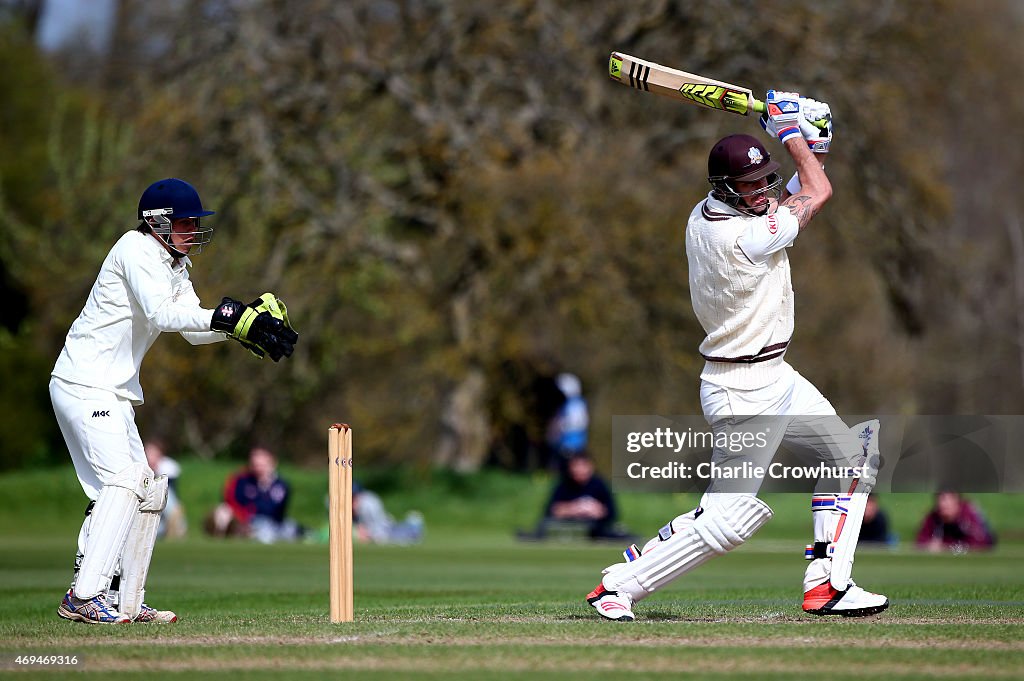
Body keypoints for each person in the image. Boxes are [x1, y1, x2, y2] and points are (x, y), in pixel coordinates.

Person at [586, 92, 889, 621]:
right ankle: (618, 585)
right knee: (730, 521)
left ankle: (827, 586)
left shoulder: (711, 214)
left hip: (777, 376)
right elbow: (816, 192)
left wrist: (808, 143)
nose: (762, 191)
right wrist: (792, 135)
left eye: (764, 180)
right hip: (740, 389)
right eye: (749, 184)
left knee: (852, 456)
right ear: (726, 189)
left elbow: (798, 192)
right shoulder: (741, 239)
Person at [50, 178, 299, 624]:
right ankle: (84, 595)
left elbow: (191, 330)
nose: (192, 231)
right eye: (185, 223)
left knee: (142, 488)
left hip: (111, 389)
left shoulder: (174, 266)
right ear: (157, 222)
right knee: (124, 480)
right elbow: (162, 315)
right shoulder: (134, 249)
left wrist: (241, 326)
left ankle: (122, 599)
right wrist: (230, 318)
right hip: (83, 383)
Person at [519, 451, 631, 541]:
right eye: (576, 466)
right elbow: (551, 510)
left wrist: (596, 510)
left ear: (590, 467)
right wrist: (573, 509)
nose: (579, 470)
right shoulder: (564, 485)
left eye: (583, 466)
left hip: (594, 527)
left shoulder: (599, 485)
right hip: (567, 525)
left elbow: (612, 512)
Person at [209, 446, 304, 544]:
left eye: (262, 464)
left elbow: (276, 510)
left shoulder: (281, 485)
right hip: (248, 521)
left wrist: (264, 487)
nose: (258, 468)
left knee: (291, 529)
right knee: (222, 511)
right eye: (255, 464)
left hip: (272, 523)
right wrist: (244, 517)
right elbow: (231, 501)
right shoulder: (241, 480)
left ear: (272, 463)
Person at [915, 490, 996, 553]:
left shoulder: (967, 515)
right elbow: (920, 541)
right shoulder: (934, 516)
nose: (943, 504)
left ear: (957, 501)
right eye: (940, 500)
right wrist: (929, 545)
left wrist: (946, 547)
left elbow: (980, 544)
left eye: (947, 500)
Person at [352, 482, 424, 545]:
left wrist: (370, 535)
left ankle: (414, 526)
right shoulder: (356, 505)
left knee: (398, 535)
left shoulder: (368, 503)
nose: (352, 501)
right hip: (380, 528)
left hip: (384, 528)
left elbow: (377, 528)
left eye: (354, 496)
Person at [144, 439, 187, 539]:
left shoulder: (167, 468)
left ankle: (176, 523)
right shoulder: (140, 468)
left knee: (166, 493)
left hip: (163, 508)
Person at [544, 373, 590, 466]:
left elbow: (577, 424)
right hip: (565, 441)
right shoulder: (567, 404)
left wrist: (559, 429)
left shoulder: (575, 405)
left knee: (568, 465)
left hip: (571, 442)